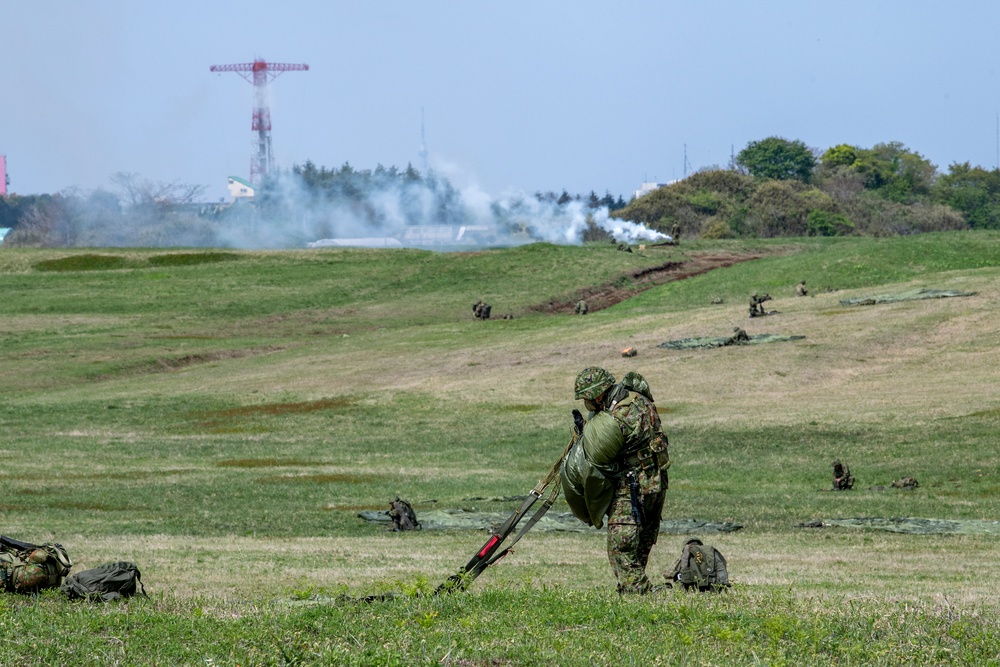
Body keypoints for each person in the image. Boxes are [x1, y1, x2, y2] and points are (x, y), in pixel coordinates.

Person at [571, 367, 670, 594]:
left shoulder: (620, 415)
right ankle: (631, 589)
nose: (585, 403)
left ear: (597, 395)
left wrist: (587, 435)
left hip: (634, 484)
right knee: (641, 539)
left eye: (586, 398)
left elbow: (603, 454)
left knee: (621, 544)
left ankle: (638, 592)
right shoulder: (638, 398)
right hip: (656, 480)